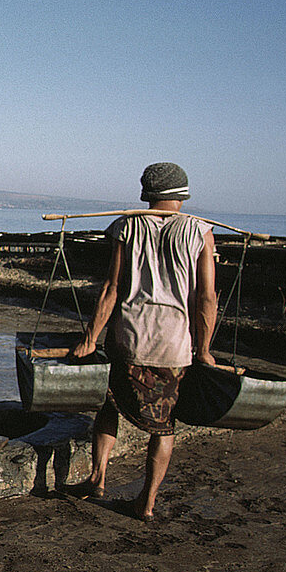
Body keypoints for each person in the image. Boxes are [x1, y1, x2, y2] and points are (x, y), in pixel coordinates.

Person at [66, 162, 217, 521]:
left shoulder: (127, 226)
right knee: (165, 426)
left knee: (109, 406)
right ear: (182, 195)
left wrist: (90, 339)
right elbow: (207, 298)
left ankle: (97, 477)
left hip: (128, 339)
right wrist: (204, 350)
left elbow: (112, 289)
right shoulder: (200, 232)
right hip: (174, 345)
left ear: (146, 194)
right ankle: (145, 503)